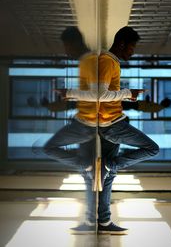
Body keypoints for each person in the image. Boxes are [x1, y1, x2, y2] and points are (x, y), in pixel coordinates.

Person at [58, 26, 159, 235]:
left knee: (106, 176)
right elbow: (99, 95)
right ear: (121, 44)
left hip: (108, 121)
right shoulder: (106, 61)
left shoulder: (111, 62)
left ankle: (102, 221)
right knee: (151, 148)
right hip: (111, 124)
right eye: (131, 48)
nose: (132, 52)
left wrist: (126, 95)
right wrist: (127, 93)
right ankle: (110, 167)